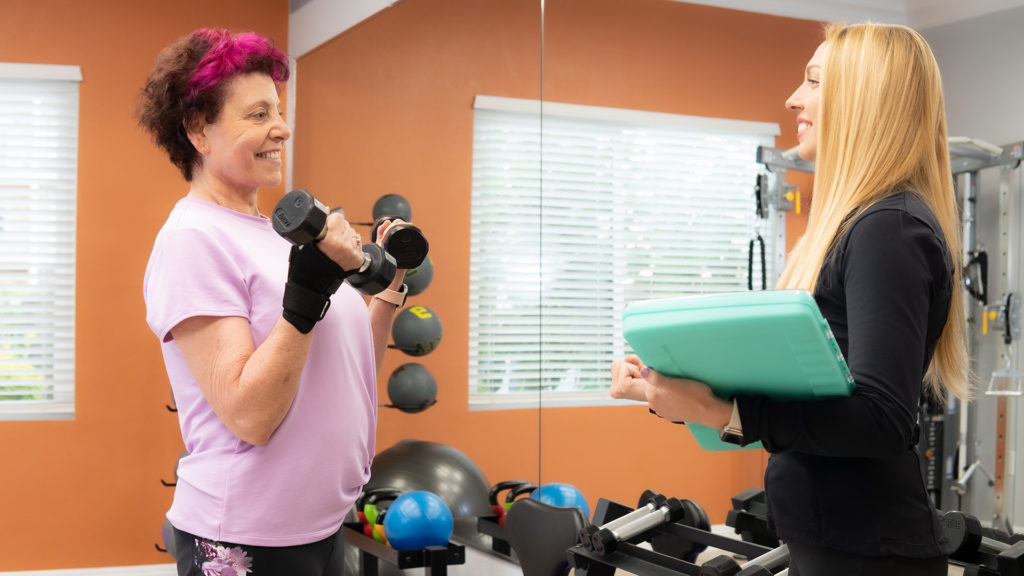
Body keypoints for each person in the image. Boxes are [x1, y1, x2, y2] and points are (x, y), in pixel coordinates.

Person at [611, 22, 970, 576]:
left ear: (861, 99)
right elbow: (805, 397)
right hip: (828, 541)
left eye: (814, 82)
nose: (793, 98)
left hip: (869, 555)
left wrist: (721, 409)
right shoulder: (854, 226)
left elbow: (881, 419)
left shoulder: (888, 228)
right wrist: (678, 394)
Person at [137, 28, 410, 576]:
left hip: (323, 525)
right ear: (198, 130)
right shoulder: (193, 238)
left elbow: (349, 373)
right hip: (246, 537)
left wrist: (389, 286)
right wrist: (307, 292)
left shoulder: (274, 235)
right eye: (258, 114)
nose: (280, 128)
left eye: (278, 111)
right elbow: (250, 415)